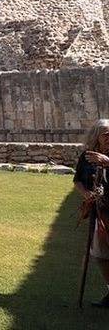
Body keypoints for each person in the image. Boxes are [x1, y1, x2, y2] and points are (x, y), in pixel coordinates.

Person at [74, 119, 109, 307]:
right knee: (101, 254)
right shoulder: (87, 157)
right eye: (106, 134)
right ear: (96, 137)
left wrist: (108, 162)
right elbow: (78, 180)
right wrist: (86, 194)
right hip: (100, 212)